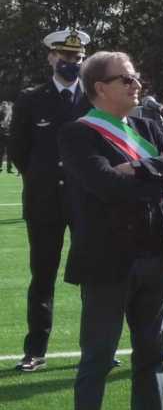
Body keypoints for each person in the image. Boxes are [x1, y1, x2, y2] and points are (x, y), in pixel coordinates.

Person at [59, 51, 163, 410]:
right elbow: (105, 185)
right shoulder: (77, 133)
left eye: (136, 77)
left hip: (155, 254)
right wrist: (152, 175)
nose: (136, 85)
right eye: (126, 79)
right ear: (100, 87)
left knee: (152, 357)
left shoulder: (149, 127)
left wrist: (135, 167)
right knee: (97, 359)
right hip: (107, 262)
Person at [9, 28, 93, 372]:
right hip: (44, 202)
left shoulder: (94, 97)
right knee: (42, 277)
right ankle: (35, 350)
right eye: (64, 56)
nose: (70, 62)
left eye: (76, 58)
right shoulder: (31, 99)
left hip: (87, 200)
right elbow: (18, 152)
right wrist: (45, 179)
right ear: (50, 57)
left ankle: (97, 347)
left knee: (94, 276)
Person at [0, 100, 14, 173]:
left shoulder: (10, 114)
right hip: (1, 135)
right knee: (1, 152)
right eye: (3, 106)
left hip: (8, 135)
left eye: (5, 106)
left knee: (10, 152)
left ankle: (9, 168)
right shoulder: (1, 114)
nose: (5, 107)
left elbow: (10, 124)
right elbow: (3, 123)